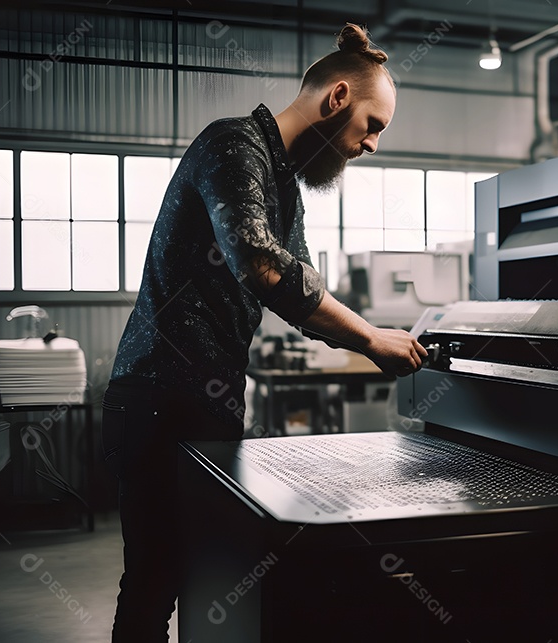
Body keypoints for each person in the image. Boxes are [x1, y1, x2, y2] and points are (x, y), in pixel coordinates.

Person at [101, 24, 426, 642]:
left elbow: (299, 290)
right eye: (373, 125)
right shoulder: (234, 145)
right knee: (152, 578)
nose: (373, 144)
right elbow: (265, 266)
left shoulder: (282, 185)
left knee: (204, 571)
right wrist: (370, 338)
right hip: (157, 399)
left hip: (208, 399)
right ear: (337, 99)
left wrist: (376, 337)